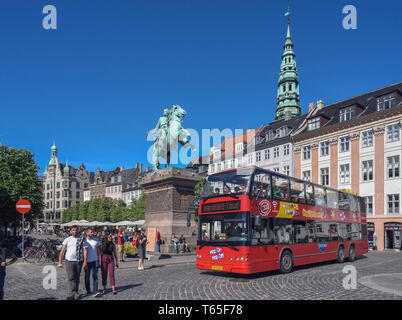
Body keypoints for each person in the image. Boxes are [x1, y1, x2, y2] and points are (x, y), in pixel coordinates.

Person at [58, 226, 86, 300]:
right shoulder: (67, 239)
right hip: (69, 261)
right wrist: (60, 262)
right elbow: (62, 250)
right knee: (71, 277)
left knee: (77, 277)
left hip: (79, 261)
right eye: (73, 230)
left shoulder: (82, 239)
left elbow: (85, 250)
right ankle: (71, 294)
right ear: (70, 231)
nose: (75, 231)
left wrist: (85, 261)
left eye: (76, 230)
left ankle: (76, 291)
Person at [83, 228, 102, 297]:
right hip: (87, 261)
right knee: (87, 276)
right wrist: (84, 261)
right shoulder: (84, 240)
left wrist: (100, 260)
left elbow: (98, 251)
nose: (92, 233)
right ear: (87, 233)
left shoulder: (96, 240)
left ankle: (95, 290)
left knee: (95, 276)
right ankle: (88, 290)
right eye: (91, 232)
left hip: (95, 260)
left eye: (92, 232)